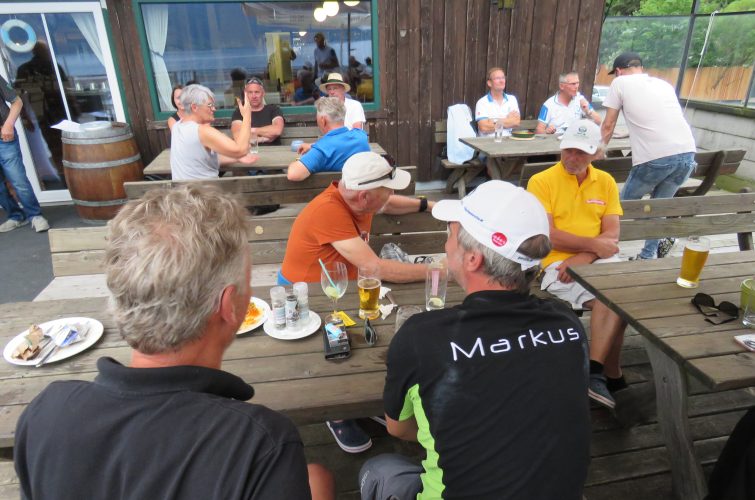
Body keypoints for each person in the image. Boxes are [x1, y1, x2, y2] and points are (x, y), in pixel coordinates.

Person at [13, 184, 334, 500]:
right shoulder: (260, 445)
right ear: (228, 306)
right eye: (247, 282)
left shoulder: (46, 412)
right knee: (319, 479)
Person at [359, 180, 590, 499]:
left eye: (450, 234)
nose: (446, 245)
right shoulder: (568, 322)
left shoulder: (421, 337)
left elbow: (399, 428)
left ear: (472, 259)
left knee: (380, 469)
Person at [280, 151, 433, 454]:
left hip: (344, 289)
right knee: (342, 348)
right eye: (387, 188)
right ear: (365, 196)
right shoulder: (329, 210)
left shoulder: (357, 195)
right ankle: (337, 412)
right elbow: (375, 268)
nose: (390, 194)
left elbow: (387, 203)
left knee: (377, 337)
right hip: (307, 298)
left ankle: (367, 404)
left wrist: (428, 205)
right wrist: (441, 271)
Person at [527, 119, 628, 411]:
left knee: (619, 298)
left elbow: (613, 234)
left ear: (596, 153)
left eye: (581, 152)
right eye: (568, 150)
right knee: (613, 301)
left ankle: (603, 373)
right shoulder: (541, 181)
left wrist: (585, 256)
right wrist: (594, 247)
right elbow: (547, 235)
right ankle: (603, 373)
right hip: (556, 264)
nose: (572, 157)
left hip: (591, 259)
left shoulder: (605, 182)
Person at [600, 51, 697, 260]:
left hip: (655, 158)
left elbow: (608, 124)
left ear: (619, 71)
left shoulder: (620, 83)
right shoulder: (664, 84)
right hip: (688, 154)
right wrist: (630, 132)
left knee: (622, 207)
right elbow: (661, 119)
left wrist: (599, 150)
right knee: (657, 209)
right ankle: (648, 255)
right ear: (640, 68)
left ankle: (599, 251)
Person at [170, 84, 257, 180]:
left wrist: (237, 158)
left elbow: (202, 160)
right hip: (206, 188)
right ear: (194, 107)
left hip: (184, 188)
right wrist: (247, 115)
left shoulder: (177, 126)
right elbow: (241, 150)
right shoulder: (202, 131)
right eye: (210, 105)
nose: (214, 109)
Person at [0, 75, 49, 233]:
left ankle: (35, 216)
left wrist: (8, 125)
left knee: (18, 179)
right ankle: (16, 216)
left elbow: (17, 102)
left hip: (3, 135)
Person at [287, 97, 369, 181]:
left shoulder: (322, 149)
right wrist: (312, 146)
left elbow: (293, 174)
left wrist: (298, 161)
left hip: (333, 188)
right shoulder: (361, 136)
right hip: (364, 186)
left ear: (323, 120)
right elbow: (341, 143)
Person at [535, 71, 602, 134]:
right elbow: (539, 130)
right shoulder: (549, 105)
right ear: (562, 86)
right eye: (573, 84)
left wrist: (587, 110)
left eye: (577, 83)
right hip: (554, 141)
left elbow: (599, 121)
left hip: (574, 140)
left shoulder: (580, 100)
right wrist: (547, 131)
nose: (576, 86)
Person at [230, 77, 285, 146]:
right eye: (250, 92)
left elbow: (277, 130)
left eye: (257, 92)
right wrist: (263, 139)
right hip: (249, 151)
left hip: (275, 151)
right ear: (245, 94)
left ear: (263, 93)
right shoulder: (240, 112)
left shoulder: (273, 109)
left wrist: (251, 130)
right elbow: (238, 137)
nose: (254, 96)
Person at [474, 67, 520, 138]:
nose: (501, 81)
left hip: (508, 141)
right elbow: (484, 128)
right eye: (497, 78)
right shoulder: (482, 102)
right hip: (488, 142)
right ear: (489, 83)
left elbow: (516, 122)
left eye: (503, 78)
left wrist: (493, 121)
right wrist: (508, 120)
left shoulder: (512, 99)